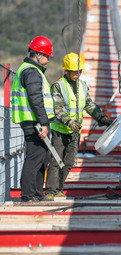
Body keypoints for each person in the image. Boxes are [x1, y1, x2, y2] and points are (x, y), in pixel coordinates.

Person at [45, 52, 113, 200]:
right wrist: (68, 121)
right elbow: (57, 108)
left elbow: (89, 105)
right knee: (56, 161)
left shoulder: (82, 86)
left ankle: (59, 189)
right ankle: (50, 190)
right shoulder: (58, 86)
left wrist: (103, 119)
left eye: (79, 71)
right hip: (60, 130)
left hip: (75, 132)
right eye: (74, 72)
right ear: (66, 71)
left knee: (69, 162)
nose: (77, 74)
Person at [11, 36, 54, 202]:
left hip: (34, 121)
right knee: (34, 158)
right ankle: (28, 196)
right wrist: (43, 123)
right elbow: (36, 99)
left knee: (42, 158)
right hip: (34, 122)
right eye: (47, 55)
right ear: (37, 54)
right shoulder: (31, 71)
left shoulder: (29, 70)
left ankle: (37, 194)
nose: (48, 59)